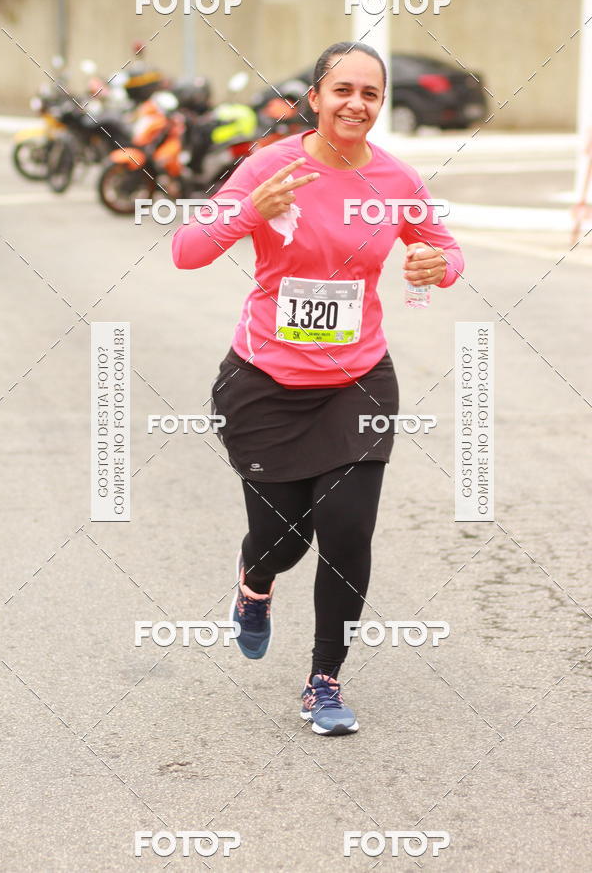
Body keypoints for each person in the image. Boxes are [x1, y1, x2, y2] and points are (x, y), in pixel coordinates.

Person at [172, 41, 464, 736]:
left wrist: (433, 263)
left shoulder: (393, 180)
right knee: (282, 539)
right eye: (342, 91)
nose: (355, 104)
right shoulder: (273, 166)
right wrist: (248, 211)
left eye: (370, 93)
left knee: (347, 530)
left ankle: (324, 681)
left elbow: (447, 252)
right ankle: (255, 583)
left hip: (357, 380)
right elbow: (187, 251)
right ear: (314, 96)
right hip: (265, 382)